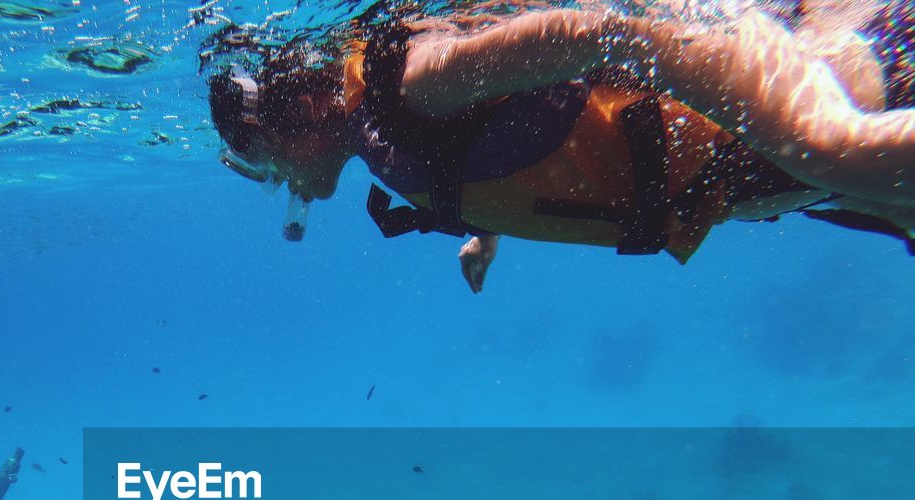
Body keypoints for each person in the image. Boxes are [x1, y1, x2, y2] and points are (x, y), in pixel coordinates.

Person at [206, 0, 915, 289]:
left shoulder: (406, 83)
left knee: (845, 151)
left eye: (264, 160)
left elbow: (600, 32)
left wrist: (814, 136)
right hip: (783, 183)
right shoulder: (386, 132)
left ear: (297, 107)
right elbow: (509, 139)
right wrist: (485, 231)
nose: (279, 183)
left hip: (869, 82)